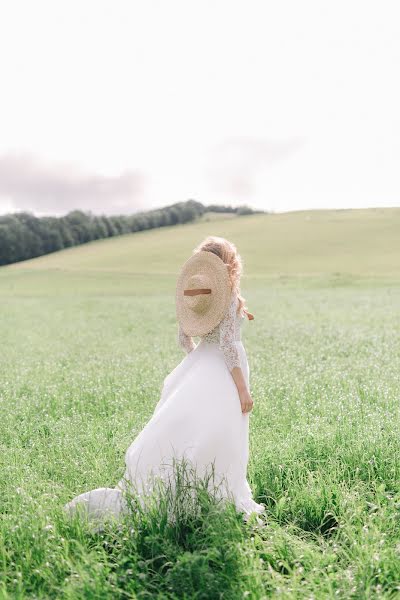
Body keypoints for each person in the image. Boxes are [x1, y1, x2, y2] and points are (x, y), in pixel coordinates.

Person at [64, 236, 265, 526]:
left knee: (194, 434)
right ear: (231, 264)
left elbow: (184, 338)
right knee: (221, 437)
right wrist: (242, 390)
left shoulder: (200, 293)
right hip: (223, 373)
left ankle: (185, 492)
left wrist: (199, 363)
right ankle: (212, 497)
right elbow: (230, 347)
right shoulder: (227, 295)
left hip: (200, 368)